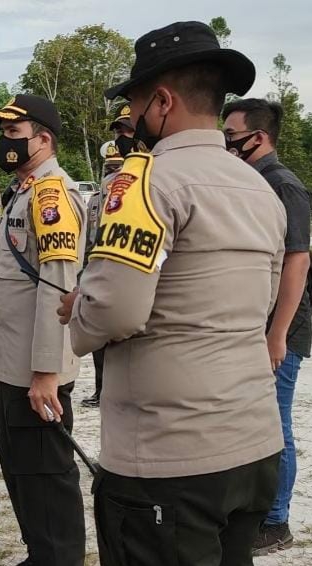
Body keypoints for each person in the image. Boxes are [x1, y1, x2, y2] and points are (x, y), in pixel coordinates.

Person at [60, 21, 285, 566]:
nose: (131, 121)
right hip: (254, 444)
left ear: (161, 102)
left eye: (134, 104)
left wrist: (79, 311)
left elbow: (114, 310)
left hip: (169, 457)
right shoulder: (260, 188)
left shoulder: (146, 182)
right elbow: (263, 300)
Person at [0, 93, 87, 566]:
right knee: (20, 468)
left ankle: (57, 558)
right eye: (3, 133)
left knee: (45, 478)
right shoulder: (25, 190)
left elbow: (58, 283)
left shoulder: (52, 195)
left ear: (44, 139)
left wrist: (46, 372)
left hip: (36, 372)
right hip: (14, 368)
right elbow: (23, 273)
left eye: (13, 133)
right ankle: (42, 554)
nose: (4, 142)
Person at [223, 98, 312, 556]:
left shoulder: (283, 185)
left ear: (258, 138)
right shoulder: (249, 182)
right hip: (255, 325)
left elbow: (298, 261)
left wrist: (276, 334)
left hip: (281, 328)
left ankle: (276, 522)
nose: (226, 140)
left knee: (275, 424)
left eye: (232, 133)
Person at [81, 108, 135, 409]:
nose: (112, 172)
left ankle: (117, 391)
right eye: (109, 167)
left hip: (124, 272)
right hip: (97, 268)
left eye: (116, 167)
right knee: (100, 341)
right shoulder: (95, 198)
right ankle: (102, 389)